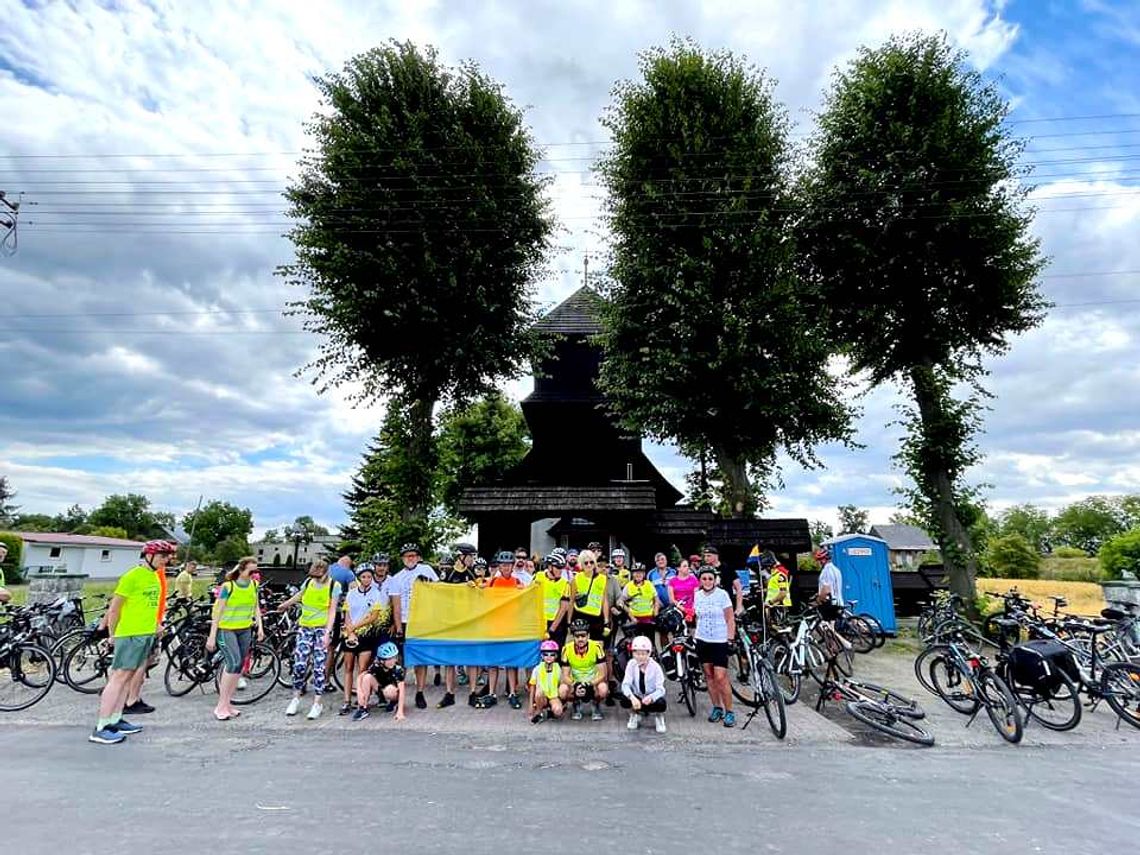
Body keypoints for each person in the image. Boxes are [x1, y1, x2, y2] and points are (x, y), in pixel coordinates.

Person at [88, 539, 175, 744]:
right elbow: (115, 608)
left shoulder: (153, 577)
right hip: (129, 634)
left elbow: (149, 606)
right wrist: (112, 634)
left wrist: (156, 625)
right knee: (118, 678)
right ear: (149, 555)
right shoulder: (132, 576)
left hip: (145, 633)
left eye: (168, 557)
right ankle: (101, 726)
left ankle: (115, 718)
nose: (166, 560)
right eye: (163, 556)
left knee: (128, 679)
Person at [277, 559, 341, 719]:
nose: (316, 579)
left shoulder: (334, 586)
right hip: (305, 627)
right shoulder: (309, 582)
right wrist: (285, 604)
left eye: (318, 576)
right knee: (299, 665)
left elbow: (333, 610)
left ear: (326, 573)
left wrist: (328, 632)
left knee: (319, 667)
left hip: (321, 628)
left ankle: (317, 702)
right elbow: (300, 595)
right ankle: (295, 698)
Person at [206, 556, 264, 721]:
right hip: (227, 629)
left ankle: (228, 703)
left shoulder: (254, 585)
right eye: (251, 571)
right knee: (232, 663)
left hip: (244, 629)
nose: (254, 574)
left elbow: (256, 606)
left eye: (256, 571)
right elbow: (218, 611)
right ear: (241, 570)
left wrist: (260, 626)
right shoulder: (228, 587)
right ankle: (221, 705)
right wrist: (212, 636)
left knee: (239, 666)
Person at [388, 543, 439, 710]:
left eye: (413, 555)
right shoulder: (396, 578)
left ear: (418, 557)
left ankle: (420, 692)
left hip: (421, 620)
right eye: (407, 556)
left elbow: (438, 593)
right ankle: (397, 694)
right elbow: (396, 605)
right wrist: (398, 627)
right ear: (403, 559)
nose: (410, 558)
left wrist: (429, 584)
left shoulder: (427, 570)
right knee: (399, 660)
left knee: (420, 659)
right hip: (404, 620)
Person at [339, 562, 387, 715]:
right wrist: (350, 630)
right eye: (364, 577)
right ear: (359, 578)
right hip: (350, 635)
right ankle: (346, 700)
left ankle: (362, 700)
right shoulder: (352, 593)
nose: (367, 579)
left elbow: (373, 616)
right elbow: (346, 614)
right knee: (348, 668)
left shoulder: (376, 593)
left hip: (366, 635)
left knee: (363, 669)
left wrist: (355, 627)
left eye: (369, 577)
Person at [694, 564, 737, 727]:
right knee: (709, 675)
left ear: (715, 580)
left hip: (720, 640)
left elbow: (730, 618)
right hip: (703, 639)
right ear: (700, 581)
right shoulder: (697, 595)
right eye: (704, 578)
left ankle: (729, 711)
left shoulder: (722, 595)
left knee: (721, 677)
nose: (707, 581)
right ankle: (716, 707)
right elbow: (697, 617)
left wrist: (730, 638)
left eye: (710, 578)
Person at [482, 550, 526, 710]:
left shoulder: (518, 582)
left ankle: (512, 693)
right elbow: (480, 592)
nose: (505, 567)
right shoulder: (492, 582)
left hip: (511, 627)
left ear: (512, 566)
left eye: (508, 565)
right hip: (495, 626)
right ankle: (492, 693)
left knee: (511, 663)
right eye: (502, 565)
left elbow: (526, 600)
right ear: (499, 566)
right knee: (493, 662)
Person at [561, 618, 609, 721]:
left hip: (592, 680)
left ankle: (596, 704)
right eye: (577, 636)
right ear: (573, 636)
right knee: (562, 691)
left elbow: (603, 674)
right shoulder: (566, 649)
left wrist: (589, 684)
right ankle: (575, 703)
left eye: (583, 635)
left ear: (588, 635)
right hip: (575, 681)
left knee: (603, 689)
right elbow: (565, 676)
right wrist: (575, 684)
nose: (580, 639)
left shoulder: (597, 647)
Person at [620, 636, 668, 733]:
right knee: (624, 699)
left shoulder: (656, 667)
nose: (640, 657)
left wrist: (651, 697)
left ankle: (659, 717)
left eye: (643, 654)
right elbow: (625, 684)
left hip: (650, 697)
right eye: (637, 653)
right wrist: (632, 698)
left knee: (661, 703)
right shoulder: (631, 664)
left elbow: (661, 689)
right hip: (638, 696)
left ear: (649, 653)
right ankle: (634, 713)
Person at [352, 641, 406, 722]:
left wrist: (400, 712)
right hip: (381, 688)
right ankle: (363, 707)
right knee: (367, 677)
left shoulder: (397, 669)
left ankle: (394, 702)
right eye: (389, 659)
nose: (393, 661)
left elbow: (402, 690)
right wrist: (359, 692)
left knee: (389, 690)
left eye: (394, 657)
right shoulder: (376, 665)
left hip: (393, 691)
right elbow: (361, 676)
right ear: (381, 661)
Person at [570, 549, 609, 642]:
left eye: (591, 562)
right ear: (581, 564)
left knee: (597, 645)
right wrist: (568, 621)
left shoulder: (602, 578)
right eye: (586, 563)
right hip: (580, 614)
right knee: (580, 643)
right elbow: (571, 600)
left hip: (596, 616)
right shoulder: (576, 578)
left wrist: (606, 620)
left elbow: (604, 600)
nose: (589, 565)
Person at [538, 552, 572, 649]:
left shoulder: (565, 584)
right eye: (558, 568)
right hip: (539, 622)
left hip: (555, 623)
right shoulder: (538, 577)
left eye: (562, 568)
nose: (560, 571)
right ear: (549, 567)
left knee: (556, 653)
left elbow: (563, 609)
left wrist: (551, 630)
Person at [528, 639, 566, 723]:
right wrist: (530, 704)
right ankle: (539, 711)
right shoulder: (537, 669)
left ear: (556, 656)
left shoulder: (558, 668)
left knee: (558, 711)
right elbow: (532, 687)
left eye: (552, 655)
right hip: (542, 696)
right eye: (545, 654)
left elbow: (561, 684)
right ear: (542, 656)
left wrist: (561, 700)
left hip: (553, 696)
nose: (548, 657)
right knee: (539, 693)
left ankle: (551, 709)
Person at [704, 544, 743, 617]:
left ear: (716, 556)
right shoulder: (704, 570)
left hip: (726, 604)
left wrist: (739, 607)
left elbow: (738, 588)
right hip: (710, 604)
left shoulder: (727, 568)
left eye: (709, 556)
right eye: (705, 556)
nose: (706, 558)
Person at [618, 562, 659, 627]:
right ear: (632, 574)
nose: (638, 574)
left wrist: (655, 614)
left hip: (649, 618)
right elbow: (621, 601)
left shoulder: (649, 584)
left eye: (640, 572)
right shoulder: (628, 586)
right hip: (635, 619)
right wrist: (631, 617)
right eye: (636, 572)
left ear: (644, 574)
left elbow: (656, 600)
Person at [815, 547, 844, 612]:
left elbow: (826, 590)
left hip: (830, 604)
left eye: (819, 560)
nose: (819, 563)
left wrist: (819, 599)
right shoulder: (837, 570)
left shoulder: (826, 571)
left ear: (823, 560)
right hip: (839, 602)